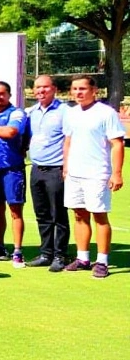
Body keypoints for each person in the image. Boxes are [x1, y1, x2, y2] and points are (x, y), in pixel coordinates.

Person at [60, 75, 124, 278]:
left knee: (100, 216)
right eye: (75, 89)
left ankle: (102, 261)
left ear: (94, 90)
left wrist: (117, 173)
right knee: (79, 215)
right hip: (74, 174)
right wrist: (66, 166)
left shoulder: (106, 113)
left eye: (82, 89)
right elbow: (68, 142)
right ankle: (83, 258)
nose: (78, 93)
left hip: (97, 174)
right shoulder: (70, 113)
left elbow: (117, 144)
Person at [24, 75, 69, 271]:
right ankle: (46, 253)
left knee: (58, 214)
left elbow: (70, 140)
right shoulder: (32, 112)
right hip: (36, 169)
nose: (41, 91)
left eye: (45, 87)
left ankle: (60, 255)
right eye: (37, 87)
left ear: (54, 89)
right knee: (41, 214)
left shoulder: (65, 111)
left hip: (56, 169)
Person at [0, 81, 28, 267]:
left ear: (9, 95)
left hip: (13, 169)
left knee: (15, 211)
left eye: (2, 93)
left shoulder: (17, 113)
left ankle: (18, 251)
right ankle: (0, 247)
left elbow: (11, 131)